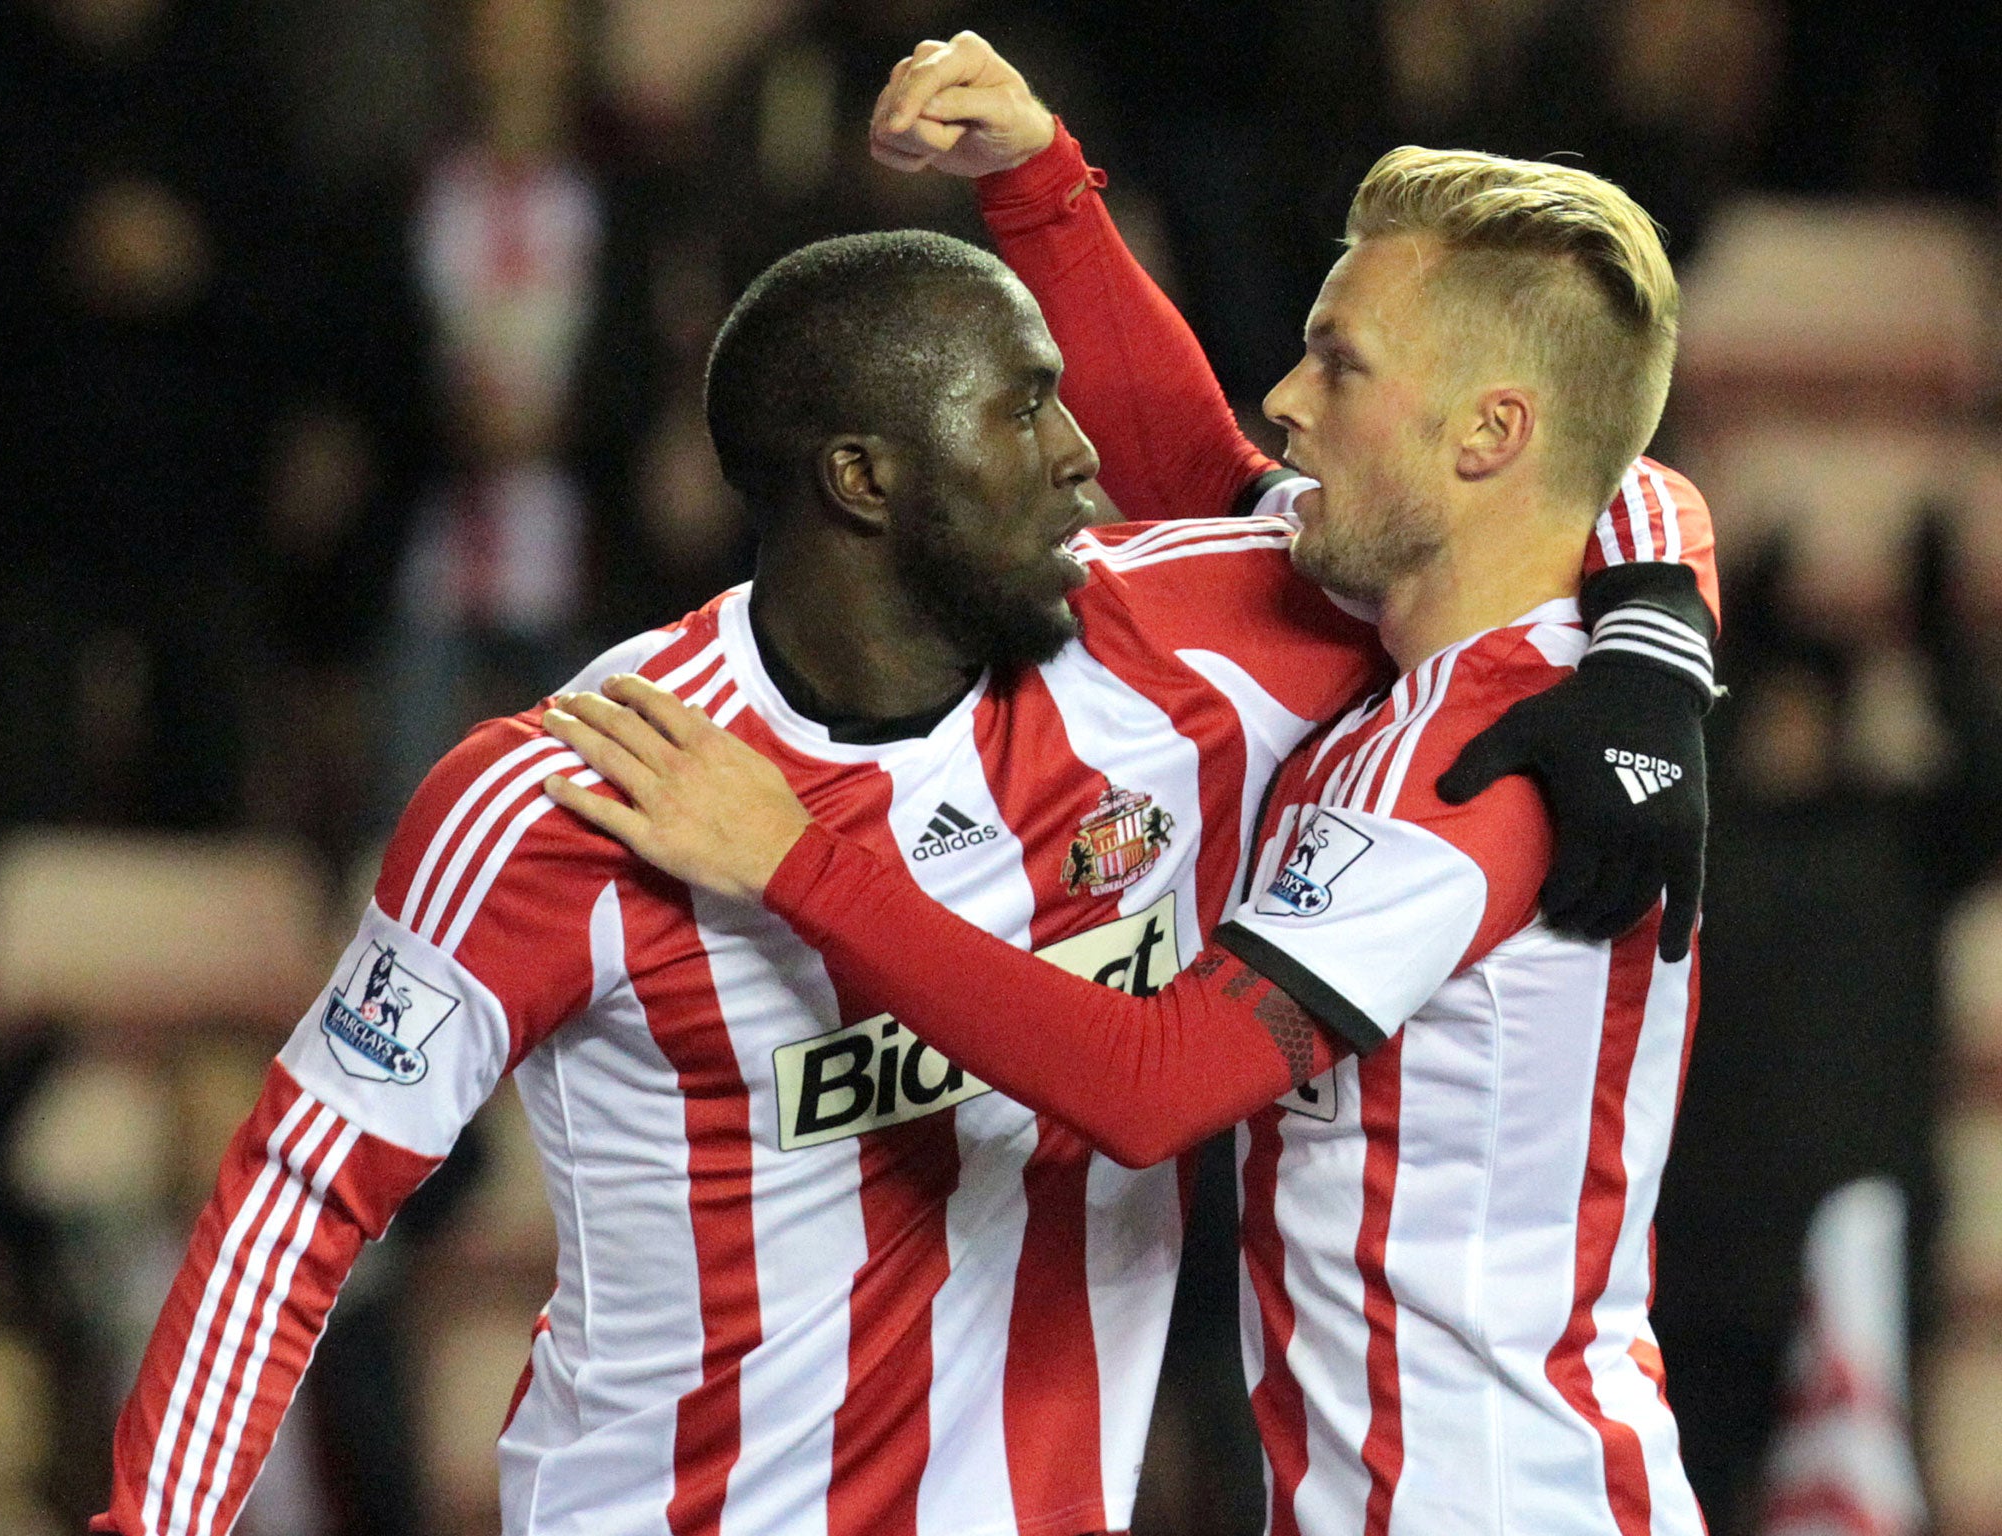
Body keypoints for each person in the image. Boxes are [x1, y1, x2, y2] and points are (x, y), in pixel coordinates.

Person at [98, 228, 1711, 1536]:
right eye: (1025, 413)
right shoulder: (573, 796)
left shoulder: (1188, 651)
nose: (1091, 462)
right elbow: (299, 1195)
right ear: (865, 481)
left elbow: (1545, 471)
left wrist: (1655, 629)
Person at [537, 38, 1710, 1536]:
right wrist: (1035, 183)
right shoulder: (1418, 647)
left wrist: (799, 866)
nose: (1286, 397)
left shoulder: (1489, 764)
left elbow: (1153, 1088)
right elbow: (1204, 470)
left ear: (1489, 436)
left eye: (1339, 365)